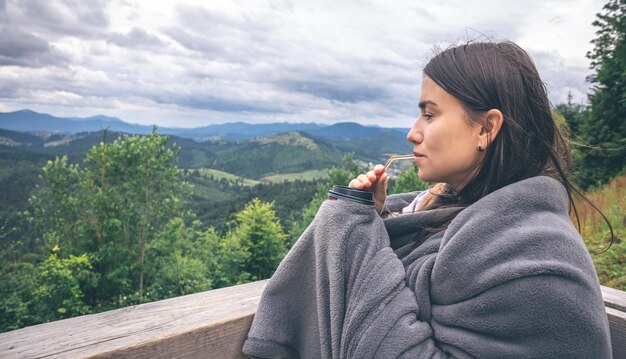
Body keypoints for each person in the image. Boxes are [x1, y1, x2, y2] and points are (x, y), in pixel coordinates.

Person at [242, 41, 613, 358]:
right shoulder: (468, 220)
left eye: (429, 114)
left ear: (486, 128)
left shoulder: (533, 255)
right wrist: (376, 217)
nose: (412, 133)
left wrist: (352, 225)